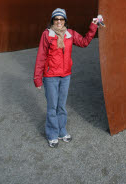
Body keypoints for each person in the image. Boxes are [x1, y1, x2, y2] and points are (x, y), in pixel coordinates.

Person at [34, 8, 101, 148]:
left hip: (65, 76)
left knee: (61, 106)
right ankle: (52, 134)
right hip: (50, 76)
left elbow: (84, 42)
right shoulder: (47, 35)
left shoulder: (70, 34)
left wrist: (93, 25)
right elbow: (41, 57)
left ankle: (61, 131)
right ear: (52, 20)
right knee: (52, 107)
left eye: (61, 19)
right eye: (56, 19)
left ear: (65, 21)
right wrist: (37, 78)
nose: (59, 22)